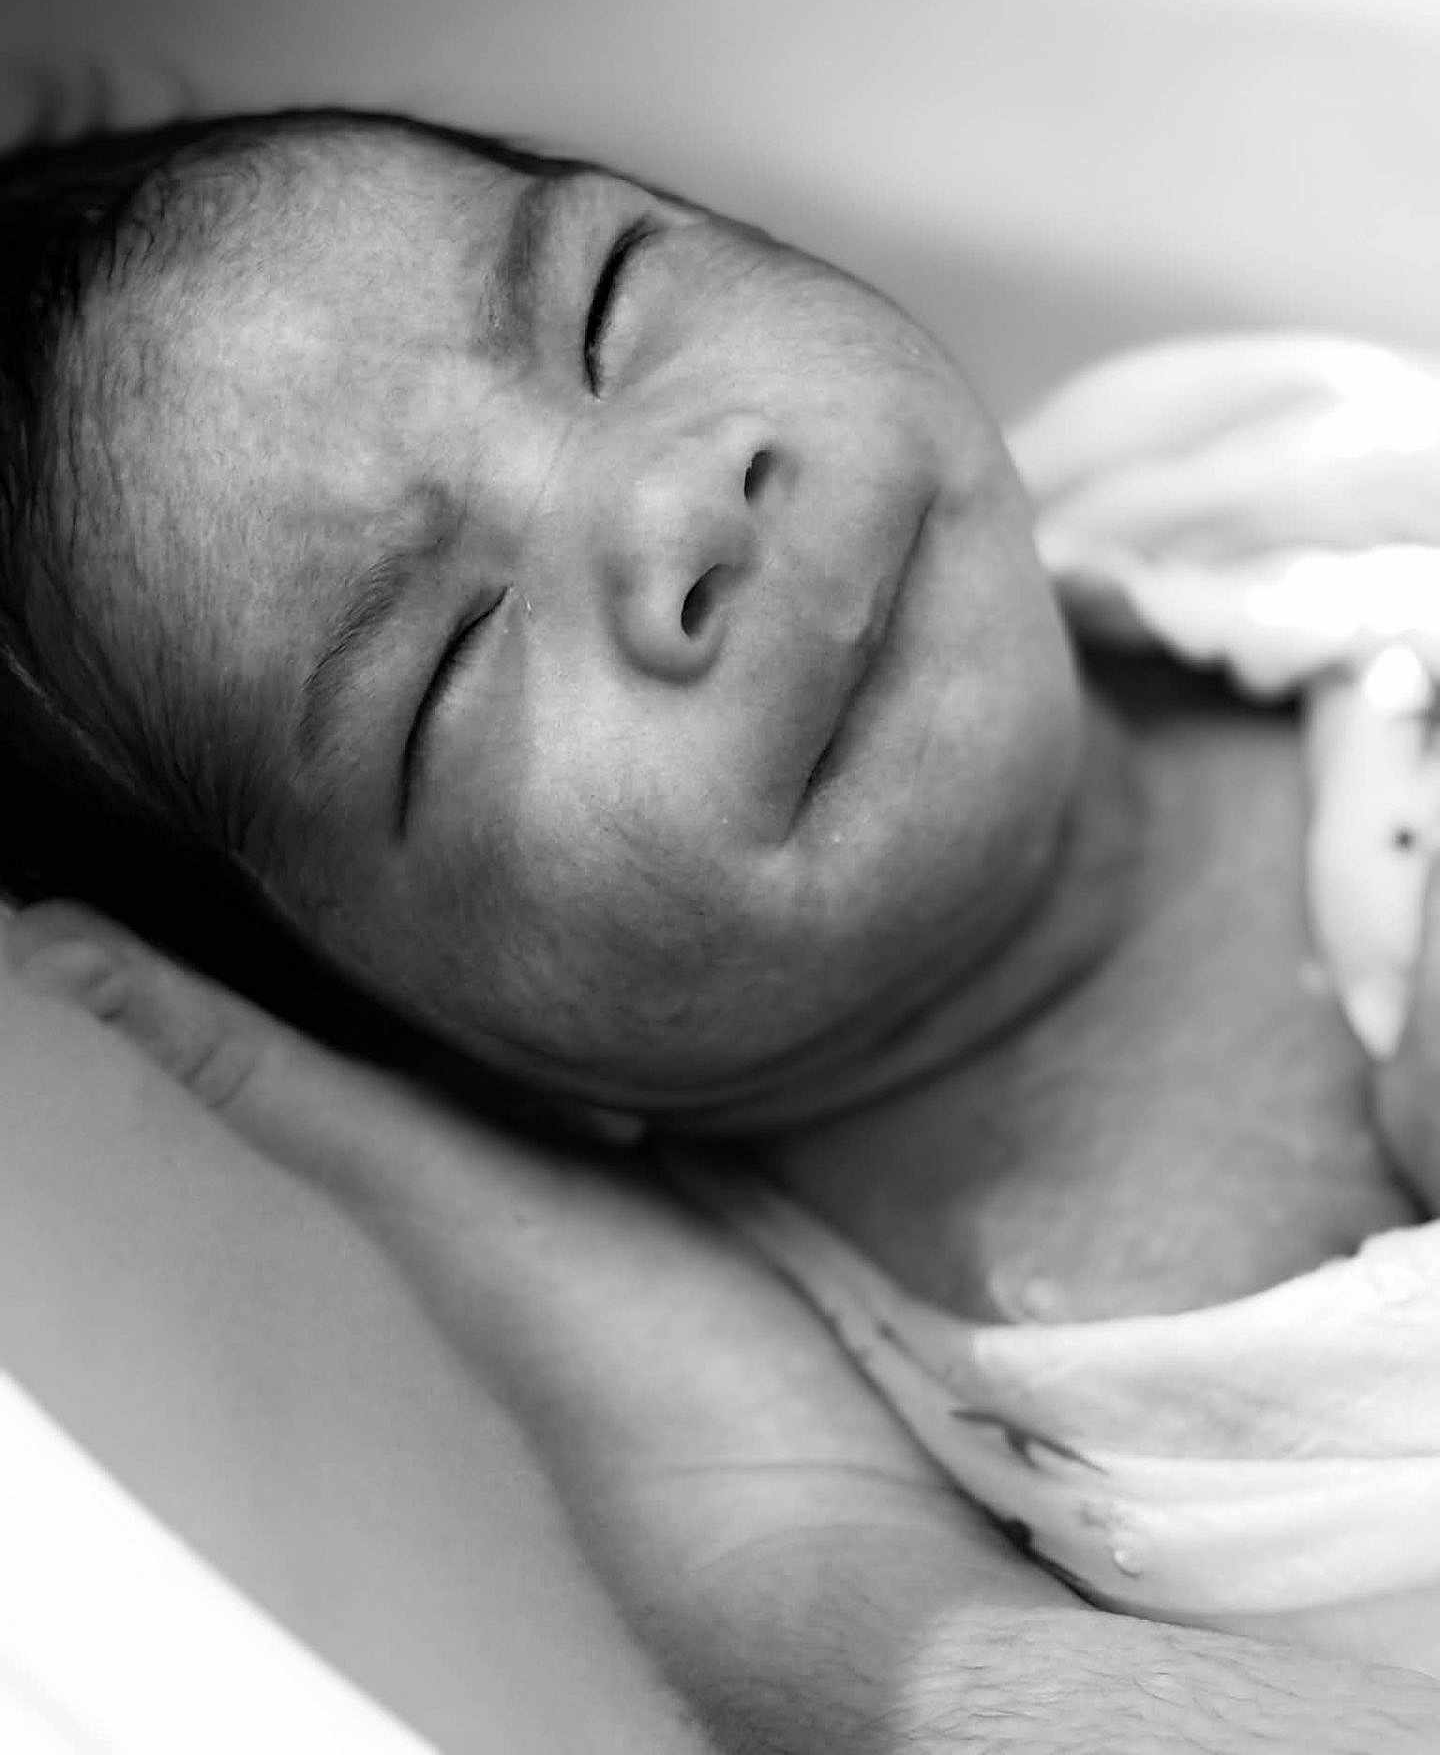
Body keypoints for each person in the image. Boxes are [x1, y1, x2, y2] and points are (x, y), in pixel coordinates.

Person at [2, 104, 1439, 1747]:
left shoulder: (1240, 470)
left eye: (610, 303)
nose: (686, 496)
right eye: (451, 662)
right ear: (446, 1047)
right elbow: (813, 1608)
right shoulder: (964, 1462)